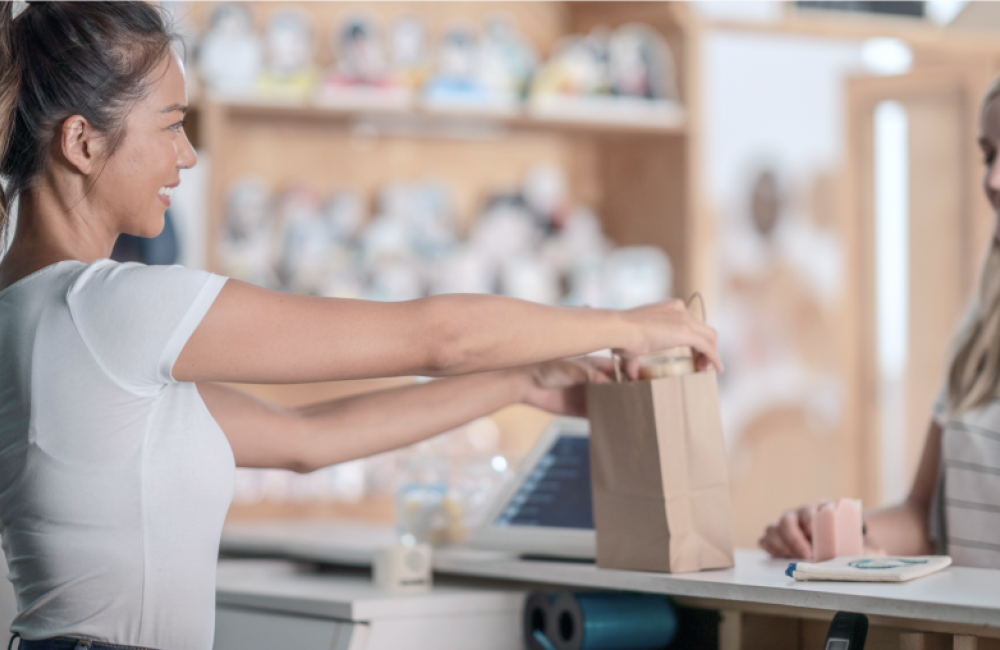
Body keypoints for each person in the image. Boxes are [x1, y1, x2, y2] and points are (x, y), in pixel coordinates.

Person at [0, 2, 722, 649]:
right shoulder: (104, 309)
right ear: (83, 144)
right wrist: (626, 324)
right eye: (171, 126)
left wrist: (522, 380)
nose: (187, 155)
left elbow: (311, 442)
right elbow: (439, 339)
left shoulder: (45, 320)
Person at [760, 75, 1000, 569]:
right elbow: (925, 517)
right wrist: (840, 529)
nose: (993, 180)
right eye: (988, 155)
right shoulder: (982, 328)